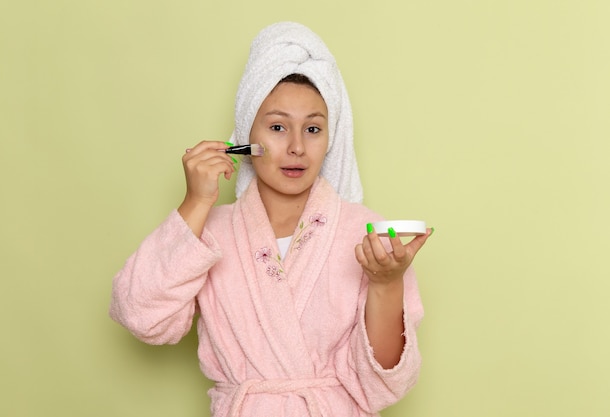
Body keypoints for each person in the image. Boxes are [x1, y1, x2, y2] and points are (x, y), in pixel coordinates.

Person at [110, 21, 433, 417]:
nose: (297, 147)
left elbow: (384, 385)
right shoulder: (209, 234)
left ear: (331, 139)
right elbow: (142, 317)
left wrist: (387, 284)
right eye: (278, 127)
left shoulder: (364, 234)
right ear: (247, 137)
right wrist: (195, 203)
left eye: (313, 128)